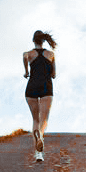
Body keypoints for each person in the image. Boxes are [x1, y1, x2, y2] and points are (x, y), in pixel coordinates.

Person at [23, 30, 56, 162]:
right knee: (44, 119)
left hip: (31, 87)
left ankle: (37, 153)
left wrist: (26, 71)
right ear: (43, 41)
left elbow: (25, 59)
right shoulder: (51, 54)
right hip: (46, 87)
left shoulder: (28, 54)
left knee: (35, 120)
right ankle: (41, 137)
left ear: (33, 41)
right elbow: (54, 75)